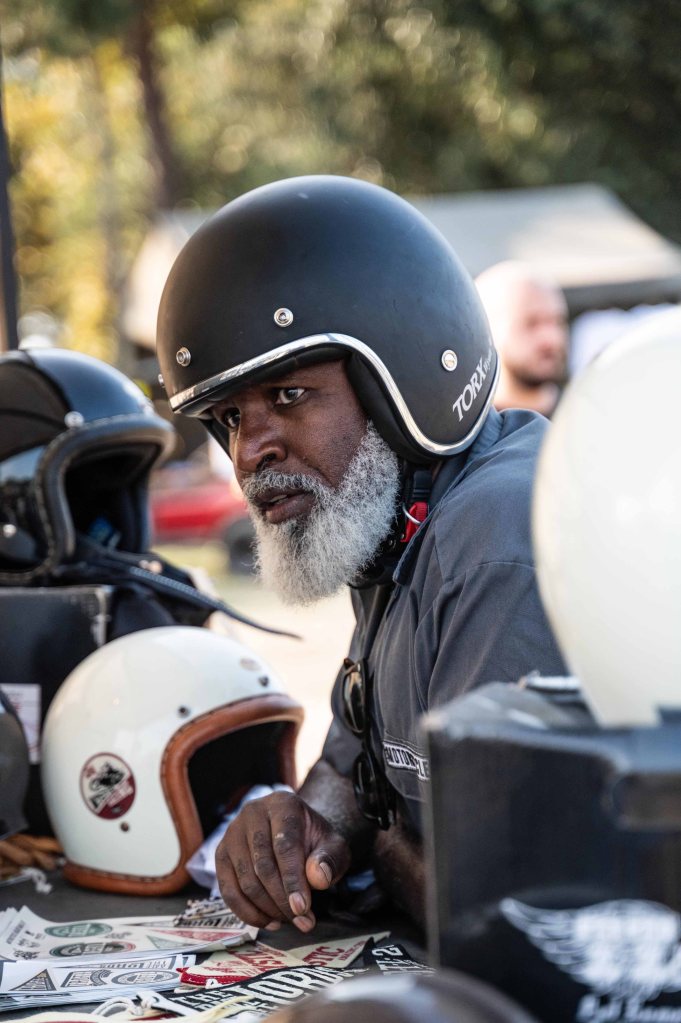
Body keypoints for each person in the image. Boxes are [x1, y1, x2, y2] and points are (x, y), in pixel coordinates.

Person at [155, 175, 566, 934]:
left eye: (287, 395)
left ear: (401, 380)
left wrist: (374, 843)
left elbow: (505, 915)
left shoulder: (497, 536)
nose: (248, 452)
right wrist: (301, 829)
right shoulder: (395, 522)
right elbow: (353, 769)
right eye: (229, 417)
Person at [474, 260, 569, 418]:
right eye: (531, 324)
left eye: (558, 321)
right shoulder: (470, 428)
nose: (552, 339)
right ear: (488, 328)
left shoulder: (587, 413)